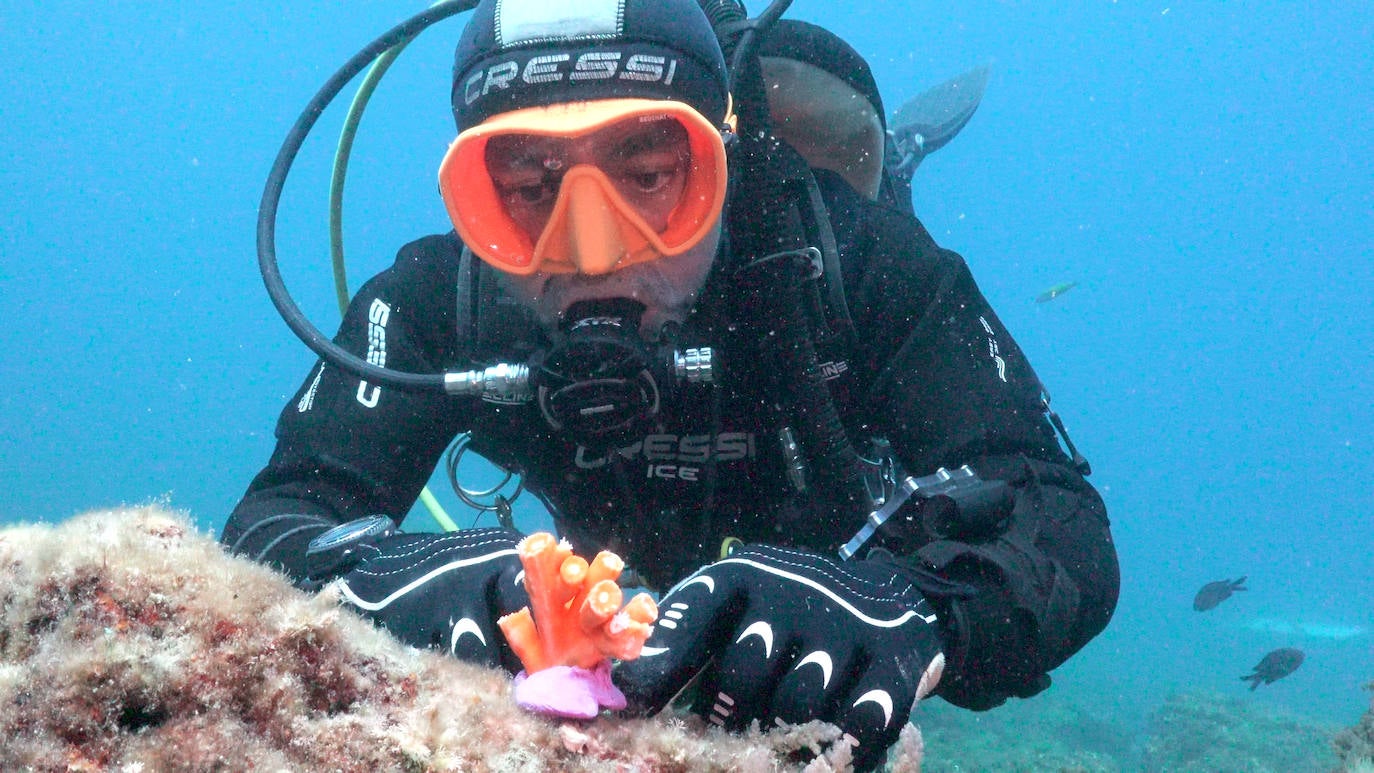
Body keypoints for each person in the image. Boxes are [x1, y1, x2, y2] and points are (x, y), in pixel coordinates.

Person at [223, 0, 1119, 768]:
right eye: (530, 188)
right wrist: (390, 575)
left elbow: (1059, 519)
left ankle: (897, 154)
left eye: (650, 176)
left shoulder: (857, 262)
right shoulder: (439, 302)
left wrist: (908, 606)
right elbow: (278, 517)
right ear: (473, 195)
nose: (592, 249)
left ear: (720, 166)